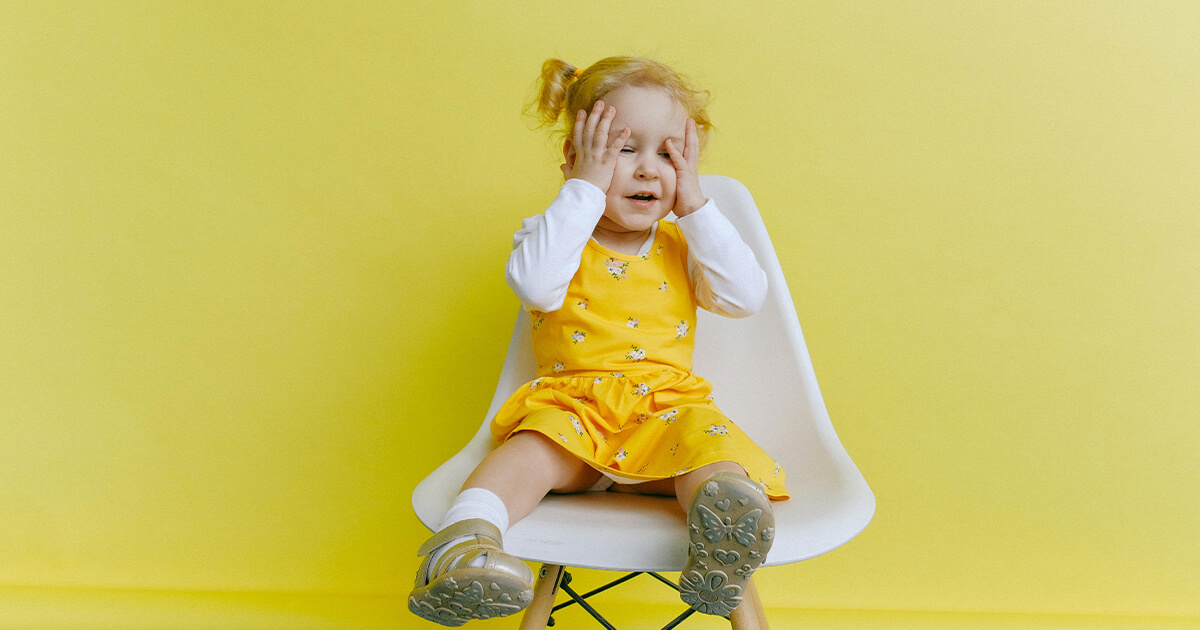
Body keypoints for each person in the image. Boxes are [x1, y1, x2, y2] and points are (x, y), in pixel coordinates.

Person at [409, 56, 789, 627]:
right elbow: (535, 285)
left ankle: (722, 537)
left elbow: (745, 296)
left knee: (710, 450)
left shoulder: (685, 247)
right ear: (574, 159)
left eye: (668, 154)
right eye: (623, 149)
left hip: (665, 414)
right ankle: (465, 545)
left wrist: (696, 206)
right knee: (529, 452)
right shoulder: (554, 236)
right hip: (576, 411)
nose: (647, 171)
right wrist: (583, 190)